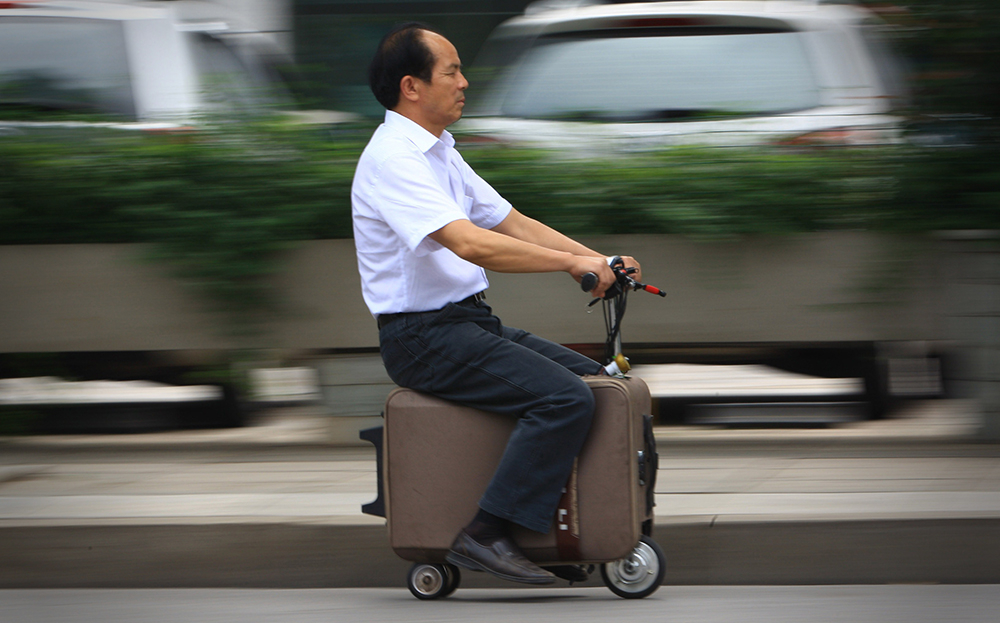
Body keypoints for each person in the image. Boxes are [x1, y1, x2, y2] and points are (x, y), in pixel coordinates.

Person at [351, 22, 641, 585]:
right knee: (562, 399)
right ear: (412, 86)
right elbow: (468, 242)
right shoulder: (393, 159)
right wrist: (568, 266)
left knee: (595, 385)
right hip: (422, 337)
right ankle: (486, 534)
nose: (465, 81)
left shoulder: (440, 153)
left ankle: (557, 536)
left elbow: (511, 222)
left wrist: (598, 259)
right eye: (453, 70)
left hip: (466, 323)